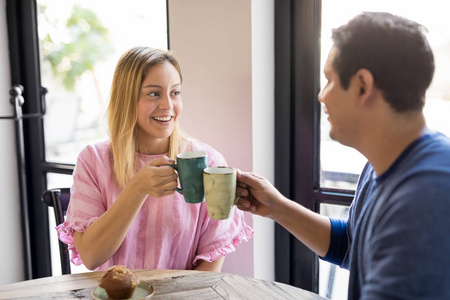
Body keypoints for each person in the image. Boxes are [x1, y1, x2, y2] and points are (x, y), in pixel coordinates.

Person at [236, 12, 450, 299]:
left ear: (362, 85)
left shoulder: (429, 194)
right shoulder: (380, 164)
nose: (321, 95)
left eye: (329, 80)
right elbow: (351, 245)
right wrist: (276, 207)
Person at [57, 46, 253, 272]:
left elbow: (210, 269)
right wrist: (137, 189)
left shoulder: (210, 163)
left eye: (175, 92)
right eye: (154, 93)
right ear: (127, 99)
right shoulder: (93, 161)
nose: (168, 106)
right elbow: (91, 257)